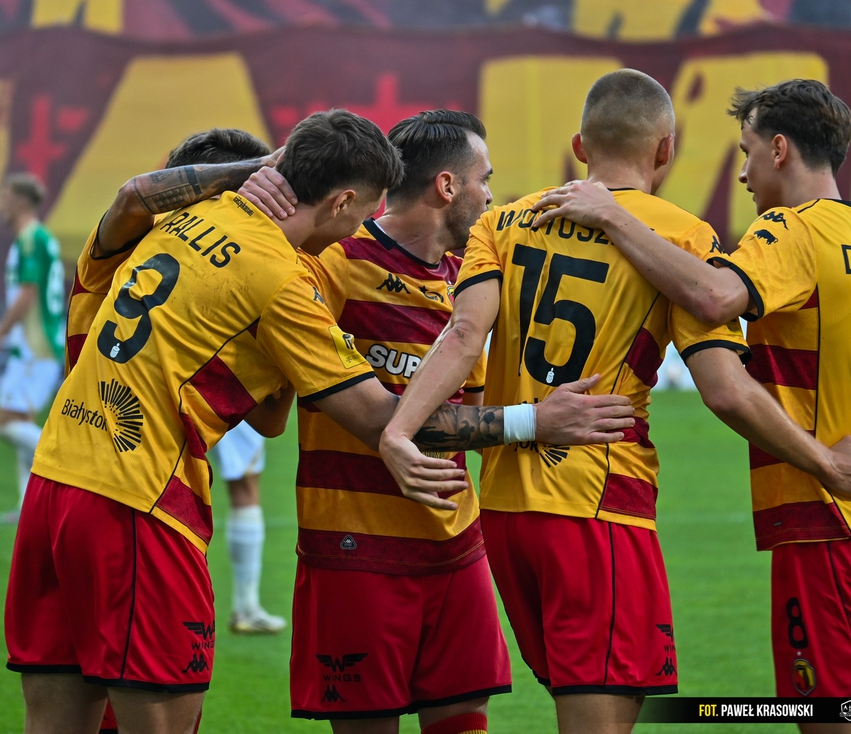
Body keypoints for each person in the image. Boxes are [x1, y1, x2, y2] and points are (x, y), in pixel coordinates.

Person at [5, 108, 631, 734]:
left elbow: (131, 197)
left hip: (55, 480)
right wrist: (533, 421)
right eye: (364, 213)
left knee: (54, 720)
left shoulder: (180, 221)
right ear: (343, 201)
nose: (363, 229)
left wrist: (257, 170)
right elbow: (383, 421)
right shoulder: (287, 279)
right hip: (138, 498)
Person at [379, 71, 851, 734]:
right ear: (665, 150)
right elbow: (725, 390)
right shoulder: (684, 237)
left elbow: (461, 335)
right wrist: (825, 462)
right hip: (601, 508)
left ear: (580, 146)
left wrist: (399, 430)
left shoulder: (504, 221)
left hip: (505, 518)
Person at [530, 78, 851, 732]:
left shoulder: (792, 231)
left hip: (831, 526)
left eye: (748, 151)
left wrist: (615, 215)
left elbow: (714, 297)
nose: (742, 173)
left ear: (781, 149)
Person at [240, 109, 508, 733]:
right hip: (355, 548)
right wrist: (537, 423)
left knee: (464, 719)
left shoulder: (469, 283)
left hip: (455, 542)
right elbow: (270, 410)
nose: (491, 196)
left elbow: (462, 417)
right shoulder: (332, 264)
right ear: (448, 186)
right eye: (485, 179)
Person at [65, 128, 289, 635]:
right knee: (149, 676)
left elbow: (133, 196)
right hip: (145, 485)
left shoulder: (119, 247)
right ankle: (247, 604)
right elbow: (271, 419)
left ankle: (248, 603)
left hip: (69, 461)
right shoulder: (257, 276)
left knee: (66, 672)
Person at [0, 173, 64, 522]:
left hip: (34, 346)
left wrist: (2, 331)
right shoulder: (40, 237)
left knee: (5, 419)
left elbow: (28, 292)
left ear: (21, 201)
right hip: (37, 345)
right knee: (20, 419)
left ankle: (62, 460)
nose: (1, 204)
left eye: (5, 196)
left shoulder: (30, 238)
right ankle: (30, 508)